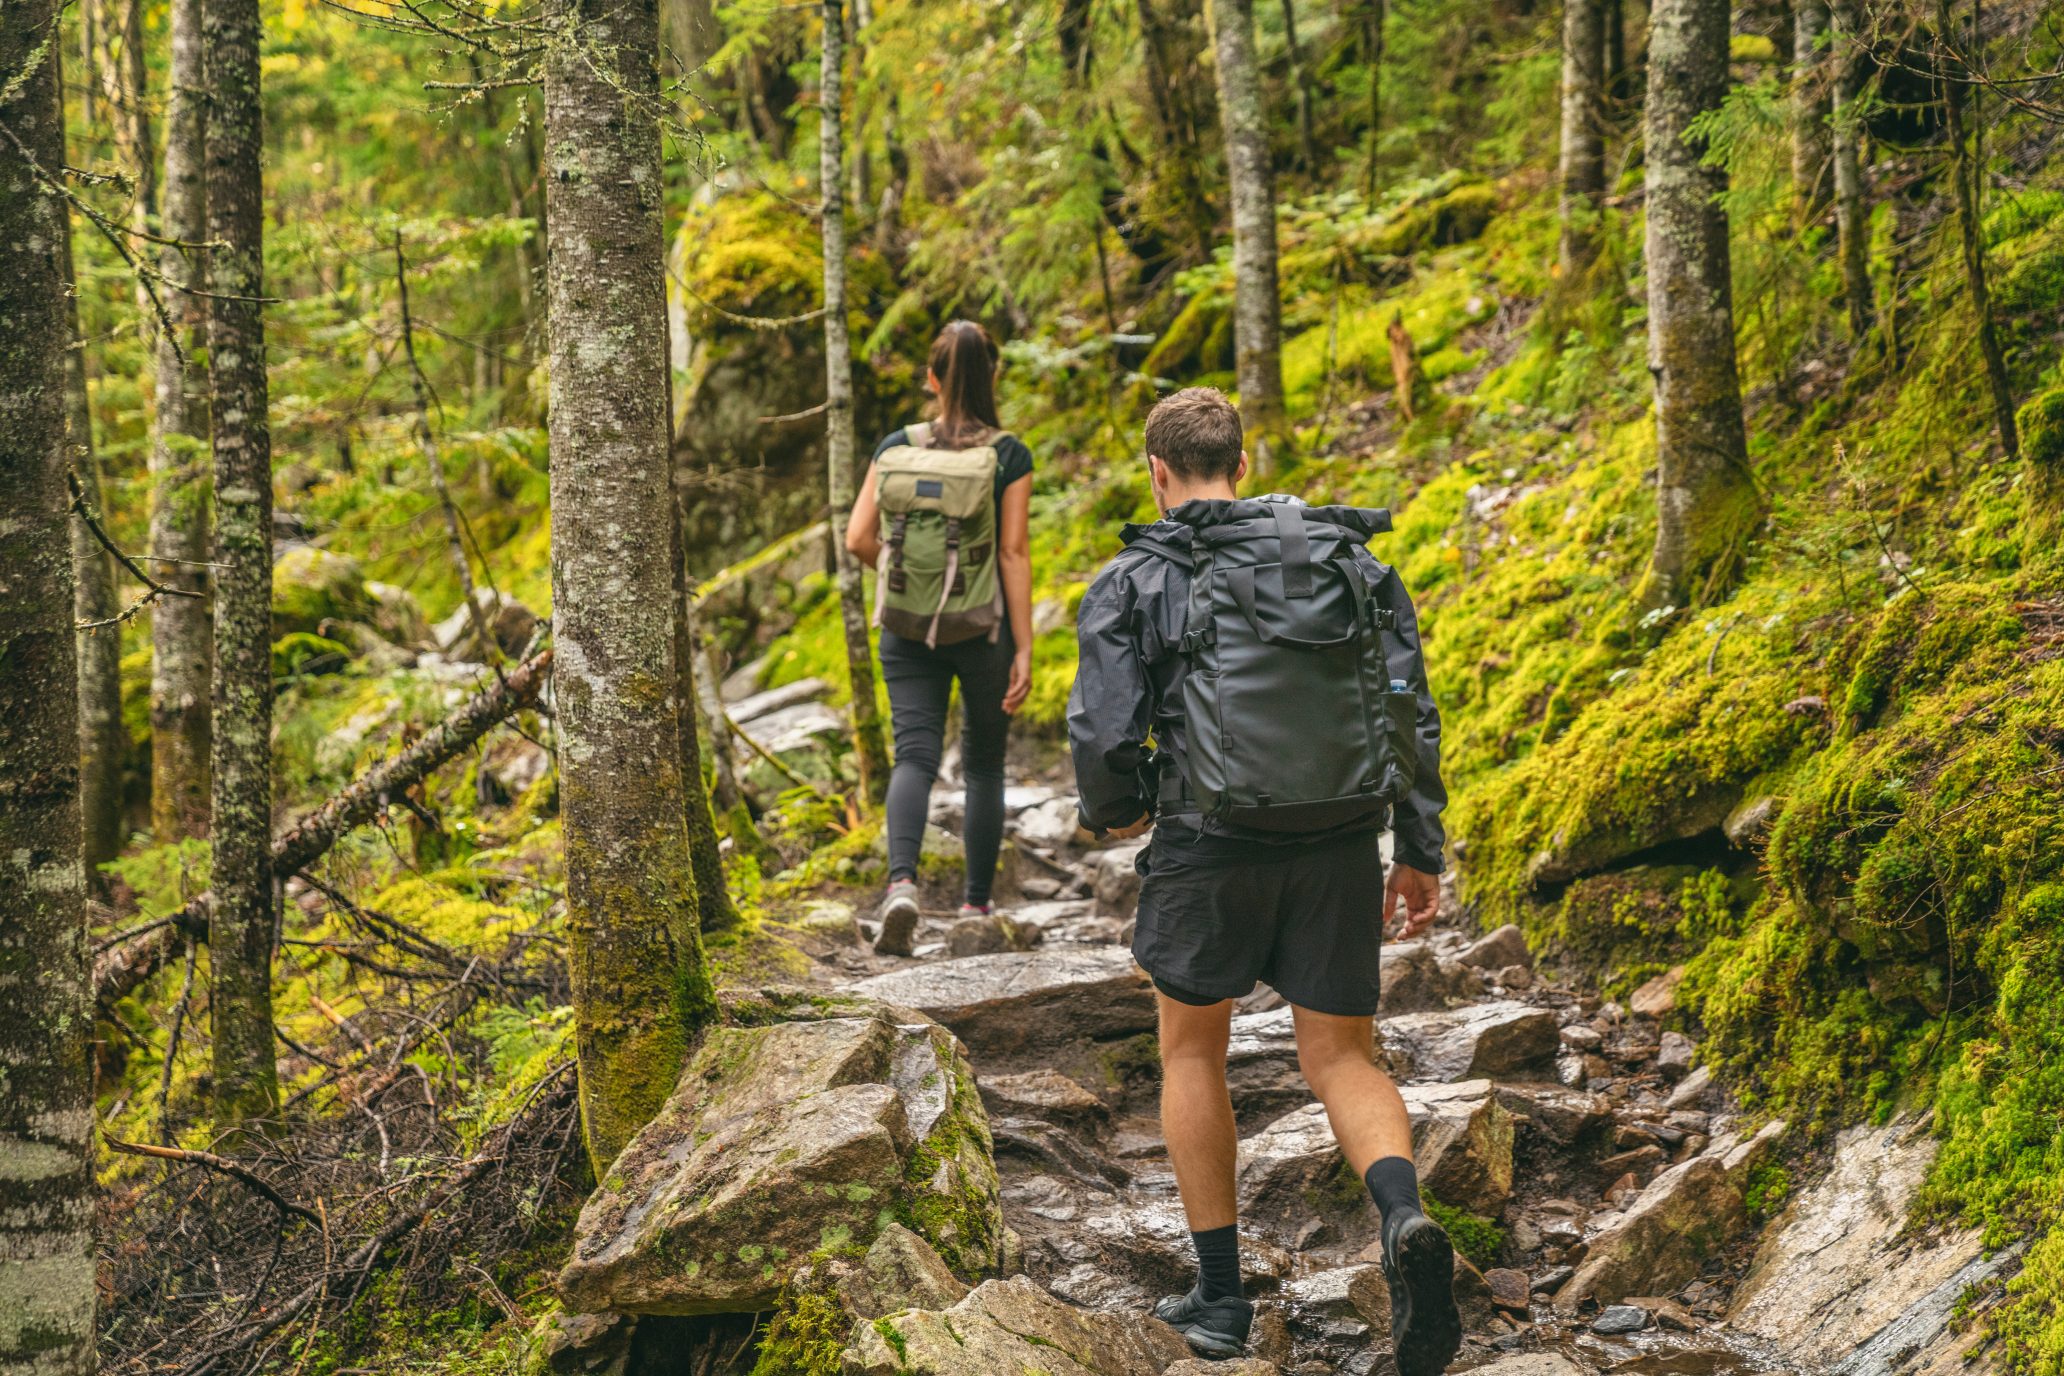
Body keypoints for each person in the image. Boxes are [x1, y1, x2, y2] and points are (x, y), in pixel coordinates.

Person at [1066, 387, 1459, 1371]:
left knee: (1193, 1052)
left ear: (1159, 473)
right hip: (1336, 838)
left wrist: (1116, 808)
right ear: (1242, 463)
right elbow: (1409, 707)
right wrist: (1418, 844)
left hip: (1207, 840)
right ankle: (1404, 1217)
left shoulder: (1135, 577)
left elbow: (1108, 735)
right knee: (1342, 1057)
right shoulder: (1349, 561)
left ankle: (1220, 1297)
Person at [846, 320, 1035, 956]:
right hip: (983, 630)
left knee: (915, 756)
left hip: (904, 627)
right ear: (994, 375)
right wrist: (1026, 646)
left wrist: (912, 583)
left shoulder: (896, 446)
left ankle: (902, 885)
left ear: (931, 379)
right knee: (983, 763)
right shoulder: (1008, 454)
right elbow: (1011, 554)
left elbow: (857, 539)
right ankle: (975, 907)